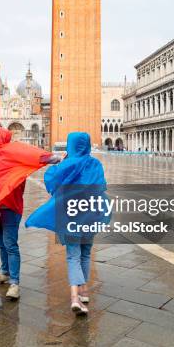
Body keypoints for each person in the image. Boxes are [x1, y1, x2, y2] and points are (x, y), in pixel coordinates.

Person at [26, 132, 109, 315]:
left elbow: (50, 179)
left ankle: (74, 298)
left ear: (70, 146)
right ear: (87, 145)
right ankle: (84, 291)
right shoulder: (95, 164)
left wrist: (63, 162)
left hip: (71, 216)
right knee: (86, 254)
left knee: (73, 255)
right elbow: (102, 187)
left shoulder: (67, 163)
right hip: (91, 216)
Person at [0, 126, 60, 299]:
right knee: (0, 241)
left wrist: (54, 158)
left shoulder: (12, 150)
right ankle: (5, 272)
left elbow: (31, 154)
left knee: (10, 244)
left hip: (10, 207)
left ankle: (15, 283)